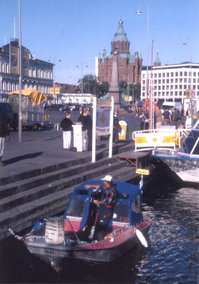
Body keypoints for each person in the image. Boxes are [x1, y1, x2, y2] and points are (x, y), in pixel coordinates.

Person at [84, 175, 118, 241]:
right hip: (102, 210)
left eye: (104, 181)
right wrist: (90, 186)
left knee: (101, 227)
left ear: (107, 182)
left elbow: (107, 201)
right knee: (97, 225)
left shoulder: (112, 191)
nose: (103, 181)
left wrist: (98, 202)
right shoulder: (106, 188)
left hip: (107, 211)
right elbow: (99, 186)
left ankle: (100, 241)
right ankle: (95, 239)